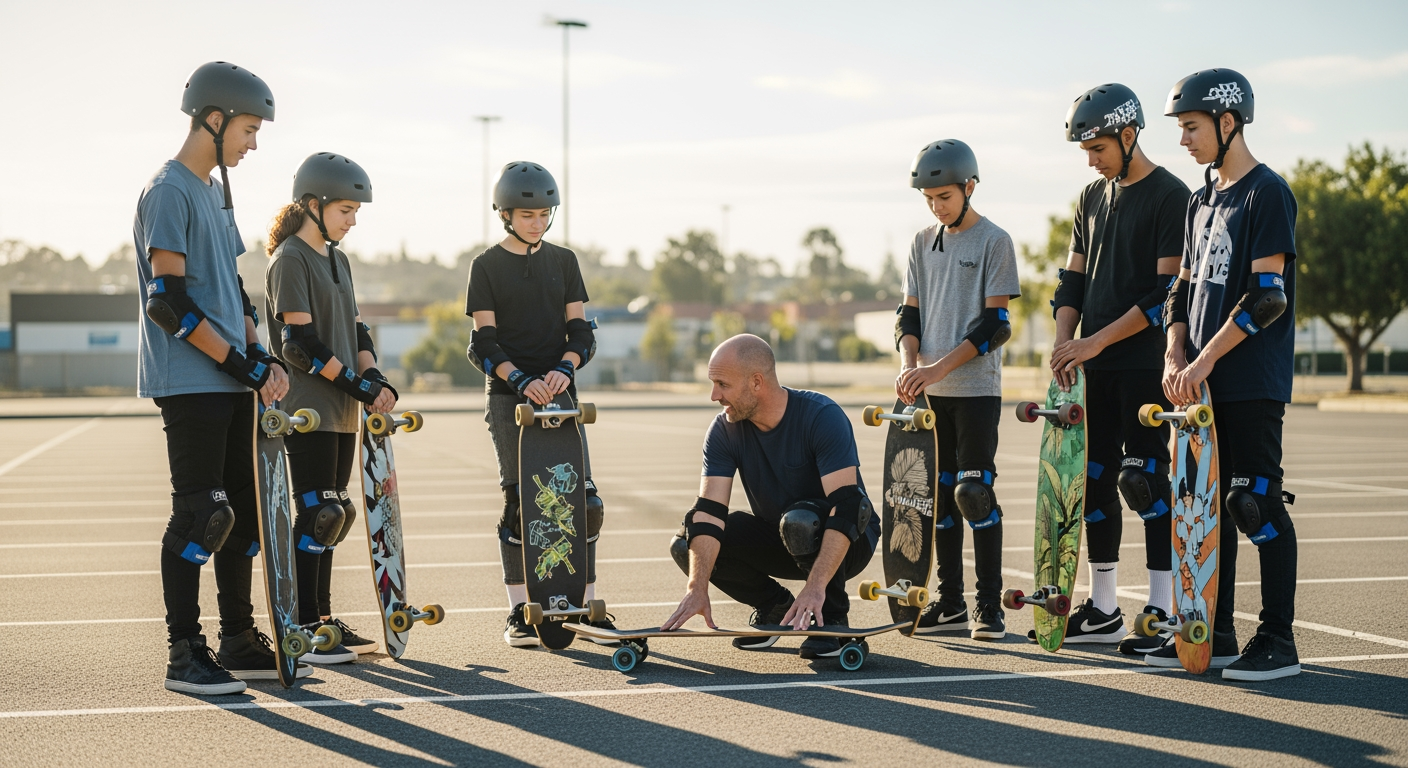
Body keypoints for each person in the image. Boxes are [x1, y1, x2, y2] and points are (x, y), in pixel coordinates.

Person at [136, 61, 294, 694]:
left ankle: (237, 637)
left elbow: (235, 290)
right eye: (249, 130)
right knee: (203, 514)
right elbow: (167, 302)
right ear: (213, 118)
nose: (252, 144)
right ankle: (184, 653)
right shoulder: (169, 190)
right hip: (190, 378)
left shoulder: (215, 191)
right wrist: (236, 361)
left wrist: (262, 356)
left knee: (242, 519)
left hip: (232, 379)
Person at [1156, 68, 1300, 681]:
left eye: (1191, 127)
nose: (1183, 139)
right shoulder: (1200, 200)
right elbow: (1179, 291)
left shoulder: (1267, 194)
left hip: (1250, 380)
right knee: (1207, 510)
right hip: (1199, 383)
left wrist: (1206, 357)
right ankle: (1214, 631)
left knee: (1253, 501)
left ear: (1228, 122)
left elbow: (1268, 296)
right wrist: (1174, 354)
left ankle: (1278, 641)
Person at [1048, 84, 1189, 653]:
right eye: (1085, 151)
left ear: (1129, 136)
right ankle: (1103, 609)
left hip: (1142, 367)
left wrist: (1093, 342)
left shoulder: (1170, 196)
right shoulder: (1090, 196)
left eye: (1098, 148)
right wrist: (1065, 344)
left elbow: (1164, 295)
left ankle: (1162, 610)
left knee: (1142, 480)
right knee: (1093, 482)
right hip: (1093, 368)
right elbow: (1072, 280)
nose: (1091, 161)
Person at [464, 161, 612, 648]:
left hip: (560, 395)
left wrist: (564, 369)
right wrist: (522, 380)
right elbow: (484, 343)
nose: (537, 222)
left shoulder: (564, 262)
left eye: (544, 213)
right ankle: (519, 612)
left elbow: (581, 333)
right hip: (511, 397)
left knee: (584, 504)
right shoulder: (486, 266)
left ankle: (585, 605)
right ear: (505, 214)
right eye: (527, 214)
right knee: (520, 505)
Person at [662, 335, 880, 660]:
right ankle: (774, 606)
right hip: (782, 535)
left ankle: (832, 618)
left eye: (723, 384)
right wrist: (697, 587)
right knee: (687, 543)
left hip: (848, 540)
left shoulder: (821, 416)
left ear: (756, 382)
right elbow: (708, 513)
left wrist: (814, 586)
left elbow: (848, 507)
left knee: (801, 521)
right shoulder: (724, 430)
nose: (714, 396)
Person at [265, 152, 396, 664]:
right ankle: (302, 626)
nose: (352, 220)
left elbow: (358, 332)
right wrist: (356, 385)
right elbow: (299, 345)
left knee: (336, 515)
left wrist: (374, 379)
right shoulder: (290, 258)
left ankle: (322, 620)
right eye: (345, 210)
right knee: (318, 513)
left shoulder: (338, 259)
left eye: (355, 211)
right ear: (312, 205)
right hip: (308, 409)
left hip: (342, 409)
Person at [894, 139, 1020, 641]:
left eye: (944, 196)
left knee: (973, 493)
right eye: (928, 199)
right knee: (940, 500)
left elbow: (995, 326)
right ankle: (950, 604)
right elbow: (908, 316)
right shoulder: (921, 242)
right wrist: (910, 367)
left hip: (976, 393)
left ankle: (990, 607)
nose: (936, 207)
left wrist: (937, 368)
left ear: (969, 187)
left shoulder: (995, 241)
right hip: (930, 395)